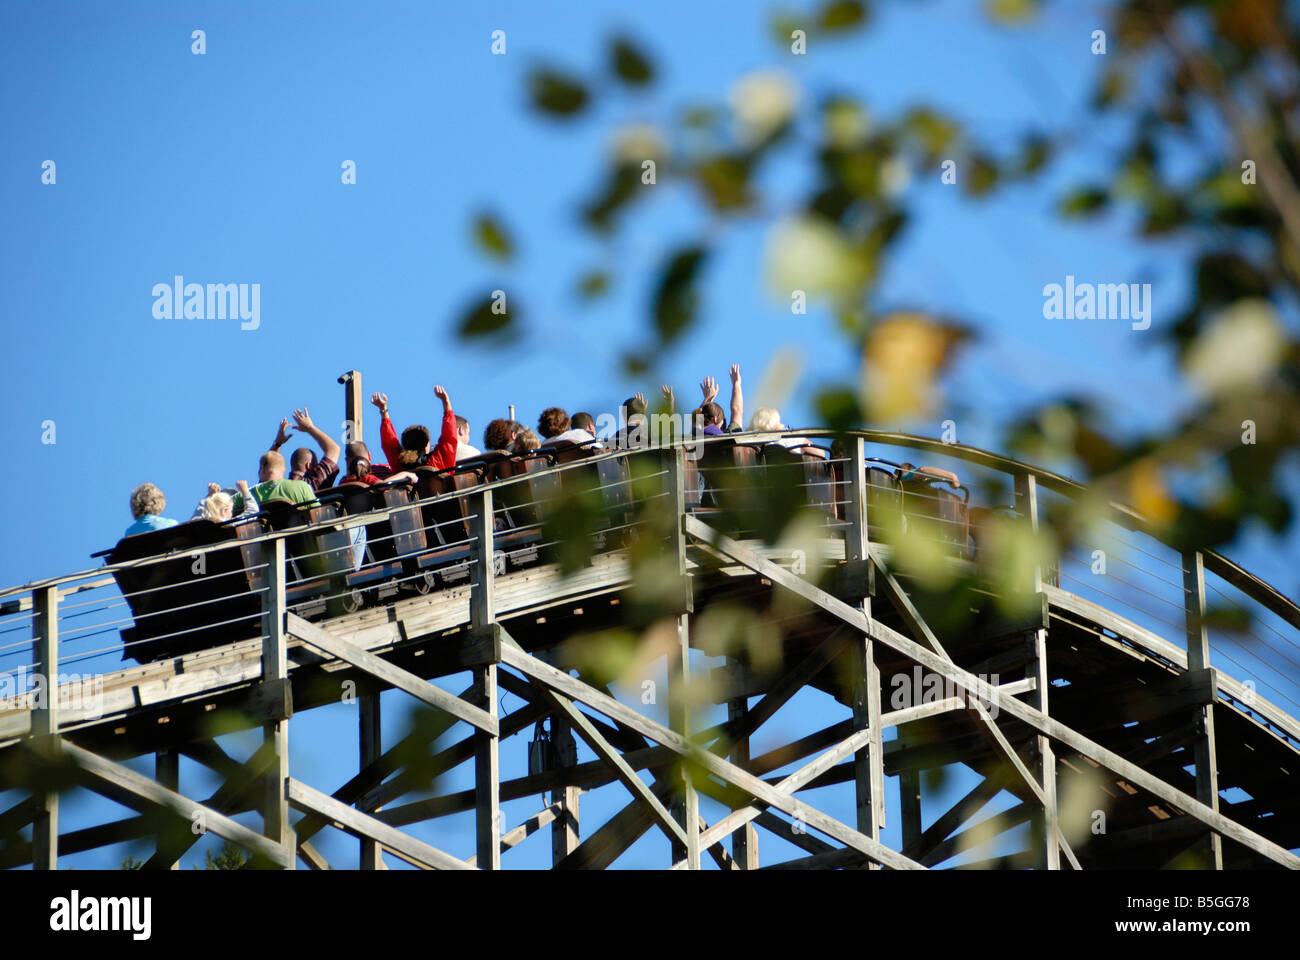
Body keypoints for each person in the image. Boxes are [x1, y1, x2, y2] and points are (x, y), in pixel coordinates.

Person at [378, 385, 458, 471]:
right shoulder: (438, 462)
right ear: (427, 445)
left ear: (404, 447)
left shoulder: (400, 465)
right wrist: (446, 402)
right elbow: (449, 439)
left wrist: (383, 409)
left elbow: (389, 444)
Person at [270, 408, 341, 490]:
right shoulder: (313, 483)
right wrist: (310, 428)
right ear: (309, 466)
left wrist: (277, 444)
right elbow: (334, 450)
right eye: (316, 465)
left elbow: (268, 470)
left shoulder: (278, 488)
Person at [233, 450, 317, 512]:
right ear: (284, 470)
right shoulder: (302, 487)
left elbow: (223, 506)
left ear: (262, 469)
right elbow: (319, 513)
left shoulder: (246, 494)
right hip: (300, 534)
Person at [192, 480, 259, 522]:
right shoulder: (230, 525)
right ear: (224, 511)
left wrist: (210, 496)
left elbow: (196, 519)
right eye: (230, 511)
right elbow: (253, 511)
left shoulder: (201, 527)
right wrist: (245, 491)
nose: (231, 514)